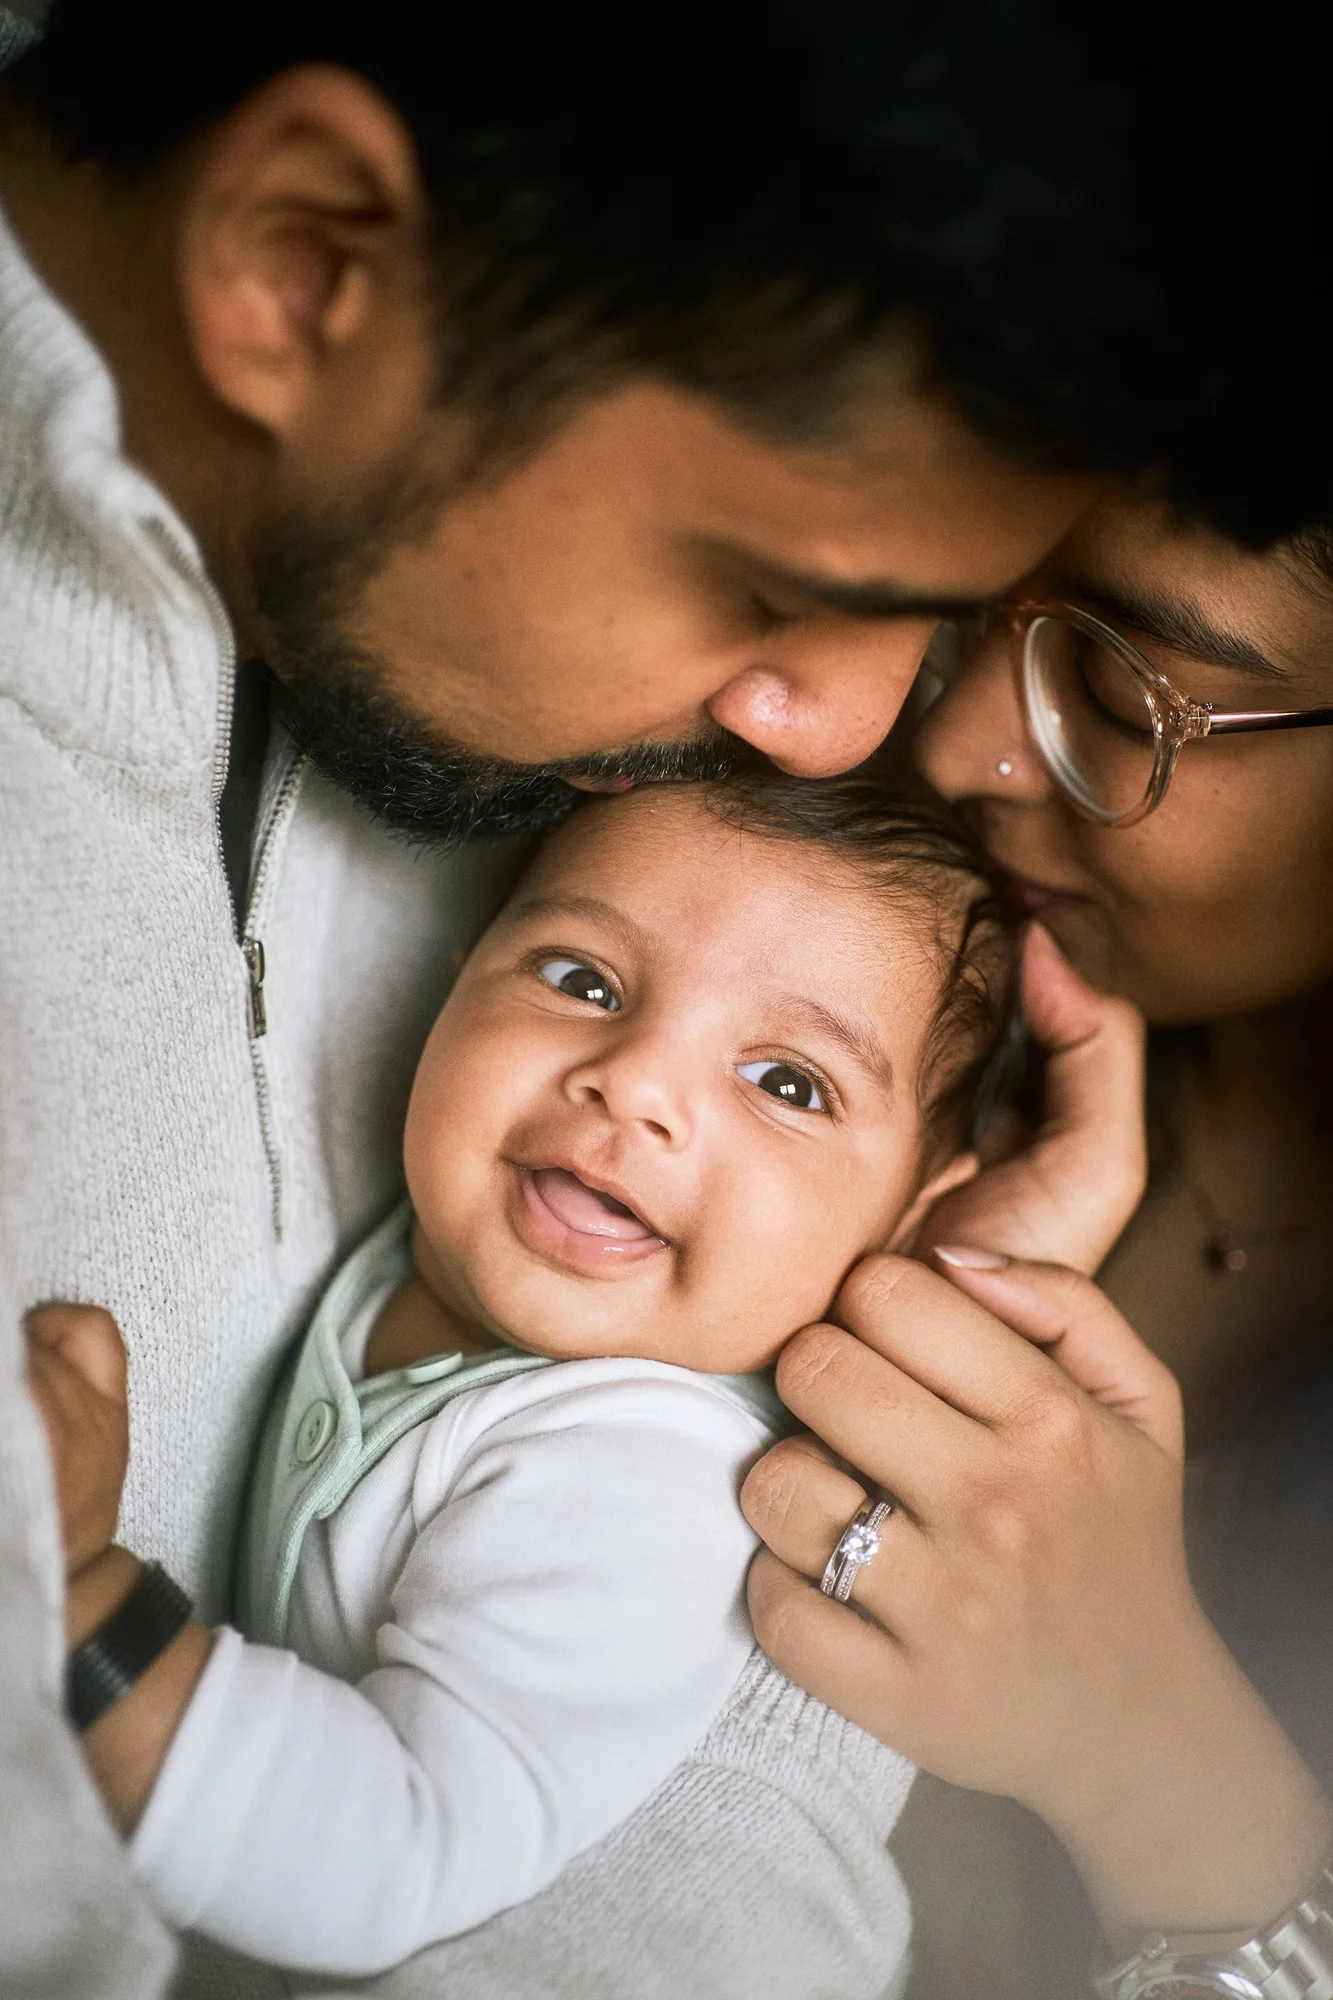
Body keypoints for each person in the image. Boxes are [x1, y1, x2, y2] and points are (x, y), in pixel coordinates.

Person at [5, 3, 1333, 1996]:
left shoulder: (573, 669)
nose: (902, 735)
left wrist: (1162, 1769)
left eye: (1122, 689)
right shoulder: (591, 765)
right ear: (299, 262)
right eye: (787, 587)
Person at [28, 773, 1030, 1979]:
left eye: (786, 1082)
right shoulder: (426, 1244)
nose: (637, 1081)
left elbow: (392, 1850)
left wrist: (75, 1597)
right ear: (456, 973)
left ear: (908, 1215)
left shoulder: (639, 1472)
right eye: (581, 979)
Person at [744, 497, 1333, 1995]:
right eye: (965, 606)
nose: (952, 748)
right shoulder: (845, 970)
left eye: (1117, 692)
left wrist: (1147, 1747)